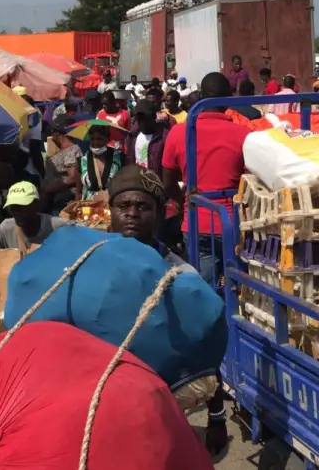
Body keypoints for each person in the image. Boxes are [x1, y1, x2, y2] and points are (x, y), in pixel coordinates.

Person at [105, 165, 228, 456]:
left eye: (142, 207)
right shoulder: (92, 259)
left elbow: (207, 344)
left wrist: (217, 417)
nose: (132, 213)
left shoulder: (181, 276)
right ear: (110, 210)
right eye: (123, 205)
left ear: (159, 214)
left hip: (159, 402)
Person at [162, 72, 250, 287]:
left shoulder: (178, 132)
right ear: (228, 99)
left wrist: (184, 202)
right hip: (233, 224)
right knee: (238, 289)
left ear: (201, 95)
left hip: (195, 221)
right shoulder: (244, 134)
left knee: (205, 289)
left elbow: (167, 183)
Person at [0, 182, 68, 253]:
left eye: (22, 206)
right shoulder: (6, 229)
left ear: (36, 204)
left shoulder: (57, 226)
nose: (16, 211)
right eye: (13, 207)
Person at [43, 115, 83, 213]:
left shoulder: (72, 149)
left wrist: (49, 189)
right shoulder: (63, 151)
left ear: (59, 133)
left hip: (64, 200)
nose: (52, 137)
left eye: (52, 133)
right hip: (55, 199)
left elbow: (73, 177)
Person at [77, 121, 125, 199]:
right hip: (88, 206)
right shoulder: (85, 159)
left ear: (107, 139)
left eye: (99, 139)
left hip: (111, 202)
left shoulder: (118, 157)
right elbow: (82, 182)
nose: (95, 142)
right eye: (92, 139)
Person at [126, 101, 169, 177]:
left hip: (156, 182)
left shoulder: (164, 137)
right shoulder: (132, 136)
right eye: (139, 120)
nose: (142, 123)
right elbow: (129, 159)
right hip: (137, 181)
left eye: (146, 120)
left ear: (154, 117)